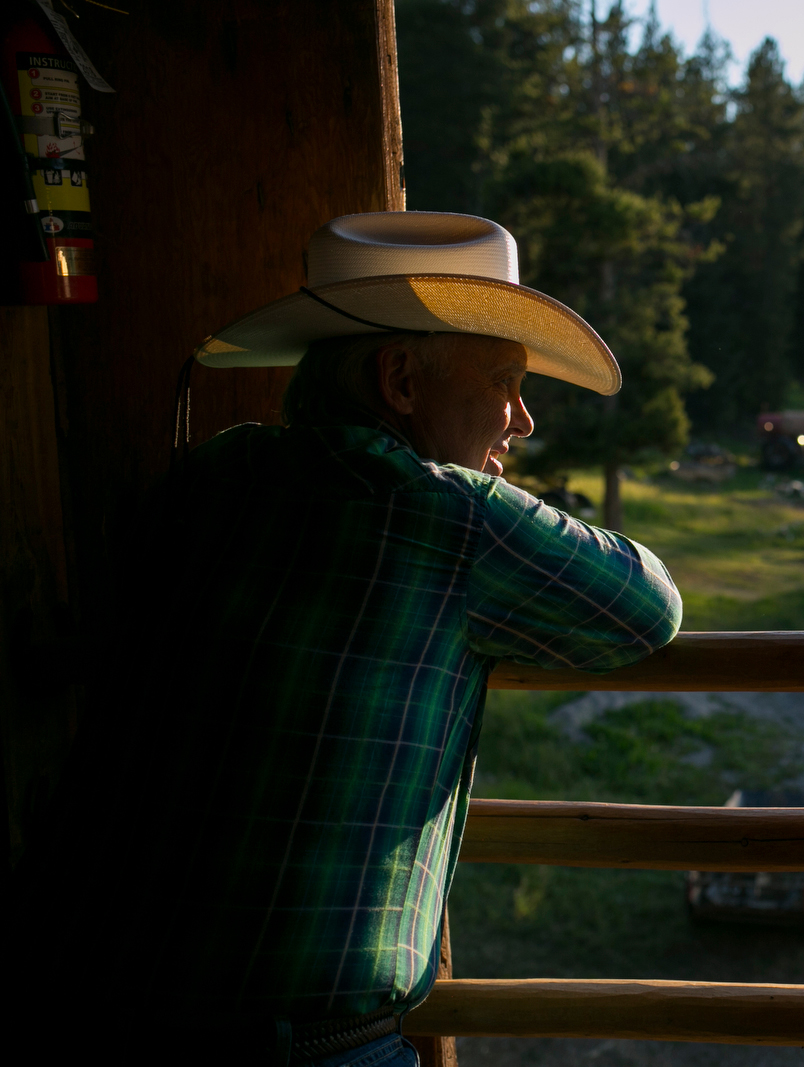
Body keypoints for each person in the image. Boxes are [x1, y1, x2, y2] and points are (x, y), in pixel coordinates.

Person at [29, 211, 682, 1065]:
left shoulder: (215, 475)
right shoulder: (446, 516)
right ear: (401, 379)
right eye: (506, 382)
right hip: (307, 1045)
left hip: (79, 1001)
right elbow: (649, 606)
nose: (521, 421)